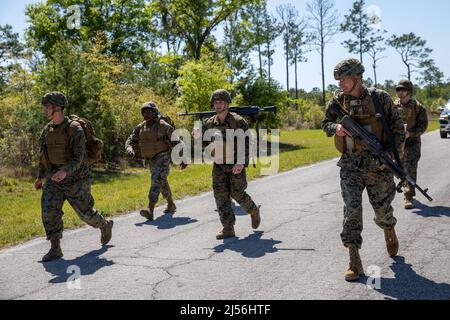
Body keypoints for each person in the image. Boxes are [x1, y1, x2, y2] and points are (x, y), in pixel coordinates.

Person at [322, 59, 405, 281]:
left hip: (378, 166)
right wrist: (335, 127)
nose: (341, 84)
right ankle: (354, 259)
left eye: (344, 79)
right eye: (339, 80)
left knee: (381, 209)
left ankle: (388, 227)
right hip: (350, 165)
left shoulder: (380, 99)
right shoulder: (338, 101)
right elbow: (325, 123)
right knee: (351, 212)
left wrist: (390, 157)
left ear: (357, 78)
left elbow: (398, 131)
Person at [35, 92, 113, 262]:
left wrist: (65, 171)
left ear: (57, 108)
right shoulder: (46, 131)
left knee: (86, 214)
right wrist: (40, 177)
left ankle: (105, 225)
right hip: (54, 178)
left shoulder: (74, 129)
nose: (44, 109)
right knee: (49, 211)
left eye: (47, 106)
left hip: (76, 177)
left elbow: (79, 158)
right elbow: (43, 156)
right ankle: (55, 249)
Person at [198, 89, 261, 240]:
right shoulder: (209, 123)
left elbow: (248, 143)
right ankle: (228, 228)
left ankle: (253, 211)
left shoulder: (238, 121)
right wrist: (198, 137)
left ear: (227, 103)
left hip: (235, 164)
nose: (218, 105)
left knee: (237, 194)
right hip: (219, 164)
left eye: (221, 102)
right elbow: (203, 144)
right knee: (221, 196)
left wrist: (241, 162)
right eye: (215, 102)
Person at [126, 101, 187, 221]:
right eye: (144, 112)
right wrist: (129, 148)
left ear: (155, 112)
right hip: (150, 159)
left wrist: (183, 158)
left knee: (156, 180)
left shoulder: (163, 126)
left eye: (149, 111)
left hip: (163, 156)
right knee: (161, 181)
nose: (146, 114)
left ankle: (150, 209)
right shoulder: (141, 127)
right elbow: (130, 139)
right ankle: (171, 204)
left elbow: (178, 142)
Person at [394, 80, 428, 209]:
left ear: (409, 91)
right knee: (400, 168)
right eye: (398, 89)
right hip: (398, 143)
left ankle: (409, 195)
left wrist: (410, 133)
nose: (400, 92)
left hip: (412, 142)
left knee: (410, 167)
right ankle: (404, 185)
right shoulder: (392, 106)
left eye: (403, 89)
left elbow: (423, 126)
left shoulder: (418, 107)